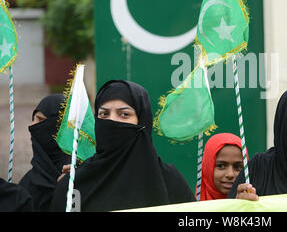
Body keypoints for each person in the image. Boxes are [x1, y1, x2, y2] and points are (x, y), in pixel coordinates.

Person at [50, 80, 195, 211]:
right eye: (104, 114)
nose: (112, 121)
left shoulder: (169, 179)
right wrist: (67, 185)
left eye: (124, 114)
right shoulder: (76, 182)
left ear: (142, 120)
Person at [18, 94, 71, 212]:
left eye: (40, 119)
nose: (31, 126)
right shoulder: (27, 184)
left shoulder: (80, 175)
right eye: (33, 119)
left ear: (59, 125)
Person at [198, 133, 244, 201]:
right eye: (221, 166)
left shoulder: (257, 205)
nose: (230, 174)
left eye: (237, 167)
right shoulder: (189, 206)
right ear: (207, 168)